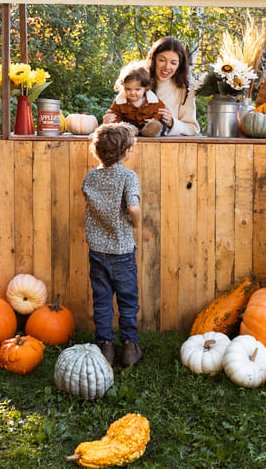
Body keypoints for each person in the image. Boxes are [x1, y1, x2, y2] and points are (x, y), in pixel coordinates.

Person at [82, 122, 143, 368]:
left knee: (102, 300)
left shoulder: (91, 176)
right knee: (127, 301)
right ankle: (129, 346)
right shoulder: (128, 176)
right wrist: (136, 223)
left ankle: (105, 346)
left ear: (96, 152)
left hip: (97, 251)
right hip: (122, 251)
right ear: (127, 151)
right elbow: (133, 207)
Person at [144, 36, 199, 136]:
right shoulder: (139, 79)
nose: (167, 67)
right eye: (162, 60)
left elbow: (193, 128)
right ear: (154, 59)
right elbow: (119, 109)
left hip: (169, 147)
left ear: (179, 65)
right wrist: (112, 118)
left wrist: (172, 122)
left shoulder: (185, 88)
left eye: (173, 63)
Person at [103, 61, 167, 137]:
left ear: (145, 88)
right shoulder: (120, 101)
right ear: (123, 87)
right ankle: (130, 131)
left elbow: (160, 111)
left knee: (160, 125)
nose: (132, 93)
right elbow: (115, 113)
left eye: (137, 89)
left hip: (147, 125)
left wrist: (154, 119)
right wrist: (113, 120)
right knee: (119, 128)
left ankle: (150, 131)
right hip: (129, 126)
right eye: (128, 89)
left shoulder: (153, 100)